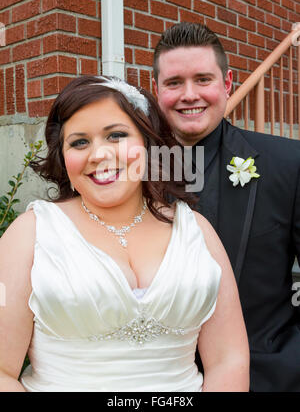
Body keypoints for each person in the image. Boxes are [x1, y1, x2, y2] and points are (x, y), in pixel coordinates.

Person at [0, 75, 249, 392]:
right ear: (64, 159)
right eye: (79, 142)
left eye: (116, 135)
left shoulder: (196, 231)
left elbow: (229, 359)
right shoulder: (30, 234)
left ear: (147, 144)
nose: (99, 154)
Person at [152, 21, 300, 392]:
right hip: (156, 382)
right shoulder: (130, 173)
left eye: (203, 79)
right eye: (174, 83)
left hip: (266, 375)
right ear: (157, 90)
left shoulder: (288, 163)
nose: (189, 95)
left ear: (227, 83)